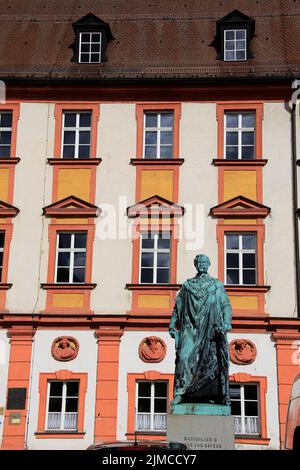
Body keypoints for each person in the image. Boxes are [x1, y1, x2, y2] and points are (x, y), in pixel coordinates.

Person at [169, 254, 232, 406]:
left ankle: (211, 394)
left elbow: (225, 305)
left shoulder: (216, 285)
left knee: (212, 359)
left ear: (209, 264)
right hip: (189, 328)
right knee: (184, 357)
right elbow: (178, 306)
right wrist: (172, 324)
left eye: (204, 262)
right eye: (199, 262)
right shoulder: (188, 285)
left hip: (210, 328)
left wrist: (226, 323)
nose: (202, 264)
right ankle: (180, 392)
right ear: (195, 264)